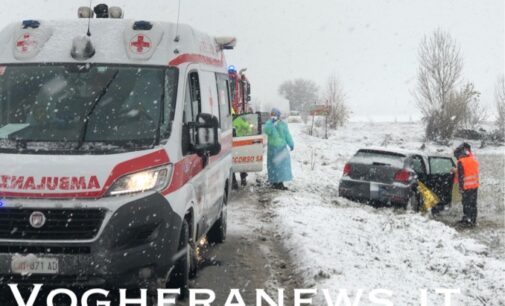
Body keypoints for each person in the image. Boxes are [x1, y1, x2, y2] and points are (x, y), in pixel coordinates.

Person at [263, 108, 294, 190]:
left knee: (282, 166)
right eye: (272, 115)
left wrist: (291, 143)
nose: (274, 116)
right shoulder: (269, 123)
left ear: (278, 115)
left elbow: (287, 134)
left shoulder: (283, 124)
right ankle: (274, 182)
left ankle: (280, 183)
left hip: (282, 148)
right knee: (273, 166)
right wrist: (271, 124)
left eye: (275, 115)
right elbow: (266, 131)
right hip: (272, 149)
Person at [454, 142, 480, 227]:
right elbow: (469, 172)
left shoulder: (461, 162)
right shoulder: (473, 159)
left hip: (466, 187)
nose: (457, 158)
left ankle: (467, 220)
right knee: (473, 204)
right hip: (474, 186)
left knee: (466, 204)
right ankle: (473, 220)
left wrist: (461, 188)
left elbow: (461, 176)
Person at [232, 113, 253, 189]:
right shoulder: (240, 120)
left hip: (234, 143)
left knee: (233, 163)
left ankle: (234, 182)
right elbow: (249, 129)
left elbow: (248, 128)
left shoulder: (236, 121)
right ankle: (240, 179)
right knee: (239, 162)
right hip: (238, 144)